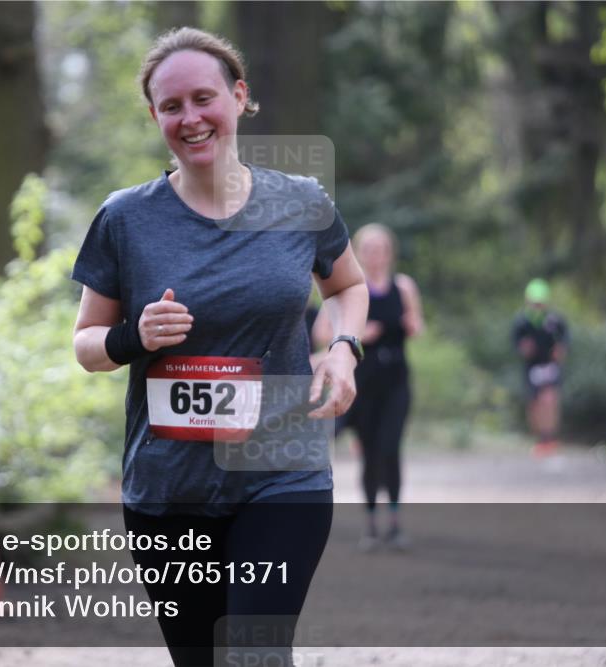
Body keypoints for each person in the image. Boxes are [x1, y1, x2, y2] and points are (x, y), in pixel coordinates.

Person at [71, 27, 368, 667]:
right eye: (171, 106)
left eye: (203, 98)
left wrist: (342, 348)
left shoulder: (301, 203)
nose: (190, 118)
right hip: (168, 488)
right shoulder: (125, 218)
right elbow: (86, 344)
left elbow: (348, 286)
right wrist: (134, 335)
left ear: (238, 96)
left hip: (282, 472)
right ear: (154, 116)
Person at [314, 223, 424, 551]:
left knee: (390, 449)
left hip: (396, 383)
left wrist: (410, 325)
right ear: (359, 253)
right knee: (370, 453)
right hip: (361, 383)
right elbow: (321, 333)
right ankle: (372, 523)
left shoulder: (403, 286)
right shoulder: (348, 288)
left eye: (381, 250)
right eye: (369, 250)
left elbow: (418, 325)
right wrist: (357, 336)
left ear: (390, 254)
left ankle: (394, 521)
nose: (375, 256)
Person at [511, 278, 568, 457]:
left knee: (550, 399)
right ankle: (540, 439)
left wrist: (561, 350)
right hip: (532, 368)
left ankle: (550, 438)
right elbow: (516, 345)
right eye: (534, 302)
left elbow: (565, 340)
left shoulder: (555, 320)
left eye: (540, 302)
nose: (537, 306)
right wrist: (523, 349)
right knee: (535, 404)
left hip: (550, 366)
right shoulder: (521, 322)